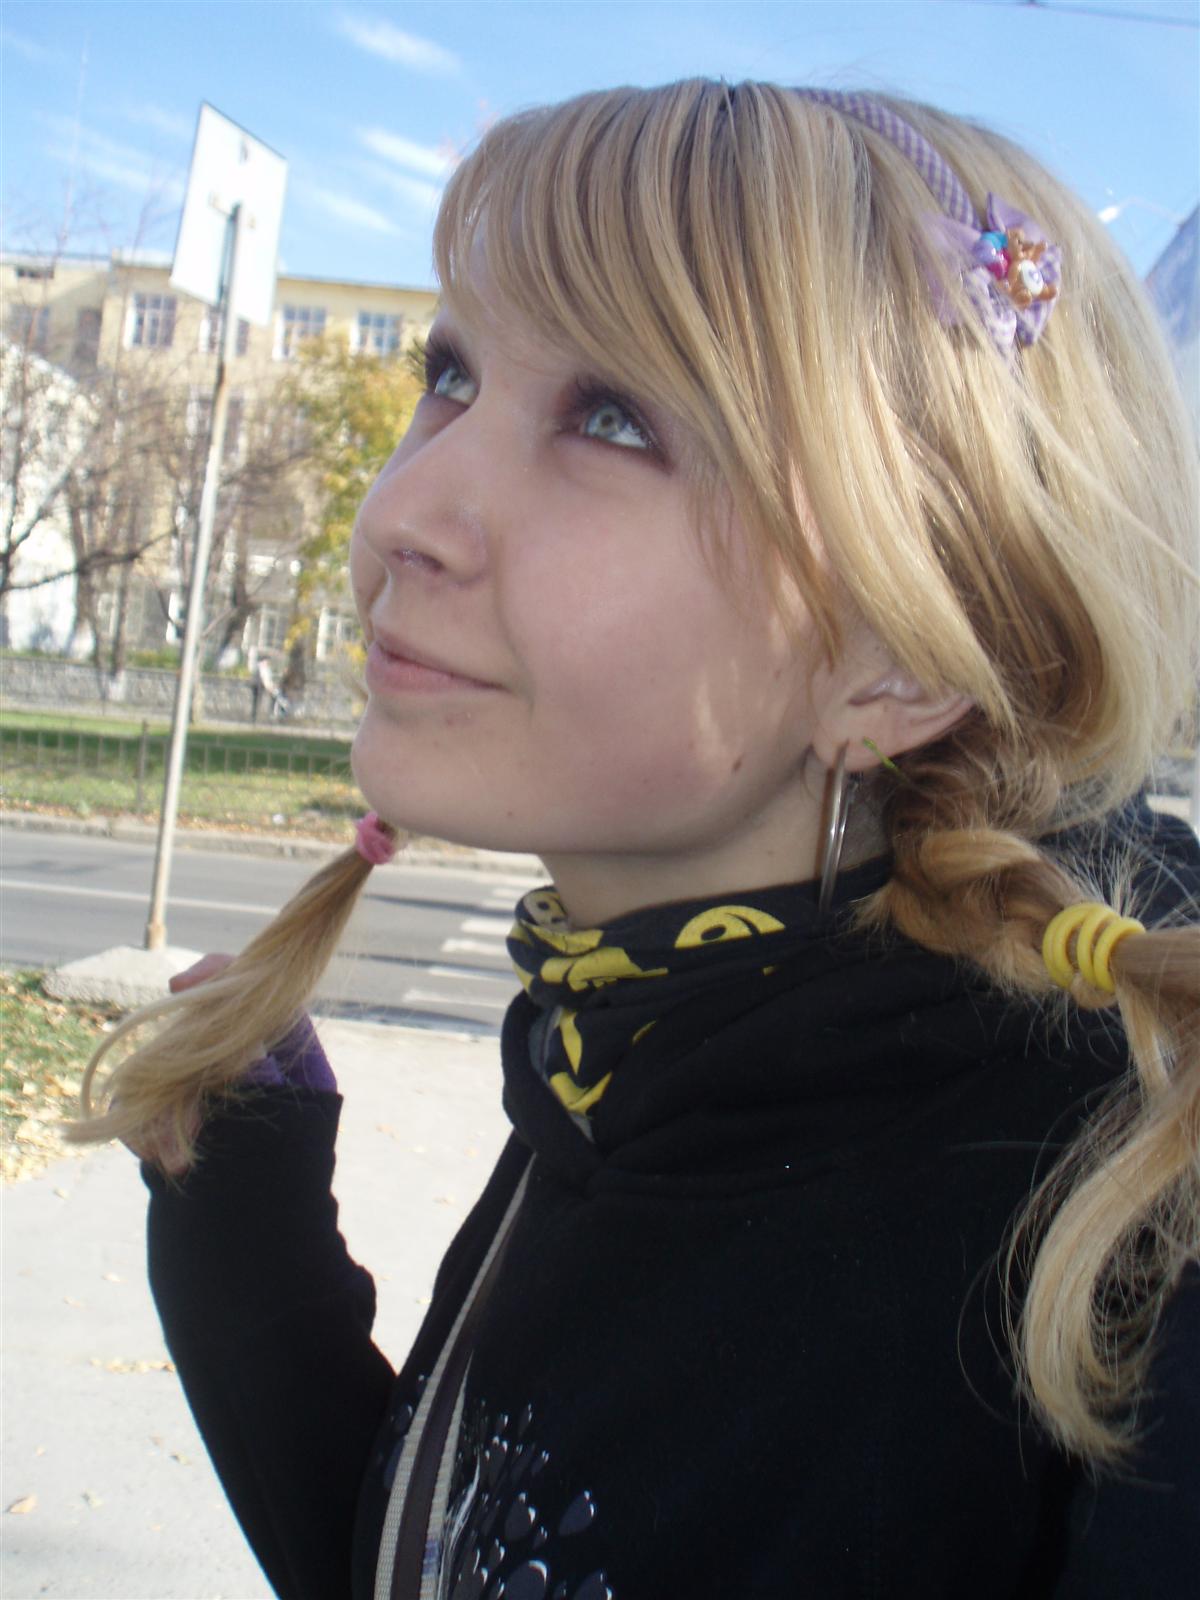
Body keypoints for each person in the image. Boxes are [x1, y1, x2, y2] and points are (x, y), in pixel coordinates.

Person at [70, 82, 1199, 1599]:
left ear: (901, 658)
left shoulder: (1126, 1232)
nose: (402, 512)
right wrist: (248, 1264)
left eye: (613, 420)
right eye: (451, 374)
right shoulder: (641, 1037)